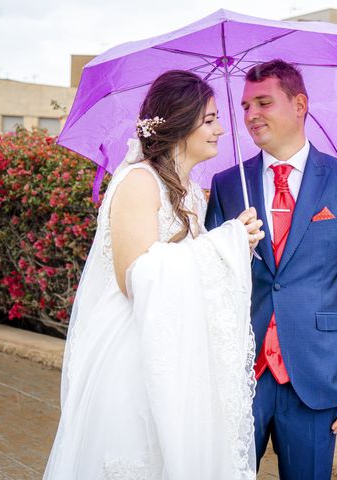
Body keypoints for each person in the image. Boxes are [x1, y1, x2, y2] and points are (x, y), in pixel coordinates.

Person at [43, 70, 263, 480]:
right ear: (181, 123)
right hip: (134, 353)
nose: (221, 129)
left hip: (178, 348)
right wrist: (222, 244)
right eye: (210, 119)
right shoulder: (139, 182)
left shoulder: (192, 192)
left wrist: (237, 246)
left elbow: (190, 268)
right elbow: (136, 277)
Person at [206, 59, 337, 480]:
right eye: (246, 106)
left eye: (264, 103)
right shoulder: (229, 184)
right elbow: (210, 280)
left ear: (299, 104)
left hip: (317, 373)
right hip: (240, 373)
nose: (251, 115)